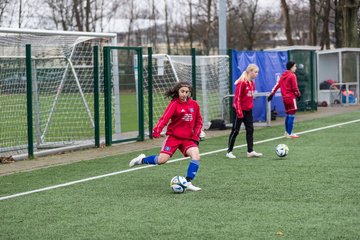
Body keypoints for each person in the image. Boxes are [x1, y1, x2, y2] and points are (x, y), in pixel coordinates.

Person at [129, 81, 203, 191]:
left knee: (196, 155)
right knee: (162, 160)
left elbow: (199, 122)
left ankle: (188, 182)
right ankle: (141, 160)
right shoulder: (174, 104)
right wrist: (157, 130)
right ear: (178, 91)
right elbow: (165, 118)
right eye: (182, 91)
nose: (184, 94)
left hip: (188, 138)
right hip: (173, 137)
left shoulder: (194, 105)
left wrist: (196, 136)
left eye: (187, 92)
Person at [226, 64, 263, 159]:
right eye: (255, 72)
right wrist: (239, 111)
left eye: (257, 72)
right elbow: (237, 99)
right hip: (239, 110)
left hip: (248, 110)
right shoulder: (242, 83)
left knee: (250, 129)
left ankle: (250, 151)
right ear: (250, 72)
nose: (256, 74)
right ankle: (229, 151)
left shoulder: (252, 84)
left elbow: (249, 97)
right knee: (235, 131)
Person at [267, 61, 301, 138]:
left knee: (288, 114)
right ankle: (289, 133)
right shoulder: (292, 76)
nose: (295, 68)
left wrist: (271, 95)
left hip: (285, 98)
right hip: (291, 98)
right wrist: (298, 95)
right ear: (291, 67)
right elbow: (295, 88)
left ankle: (287, 132)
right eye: (295, 66)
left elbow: (276, 86)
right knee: (291, 115)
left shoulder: (283, 76)